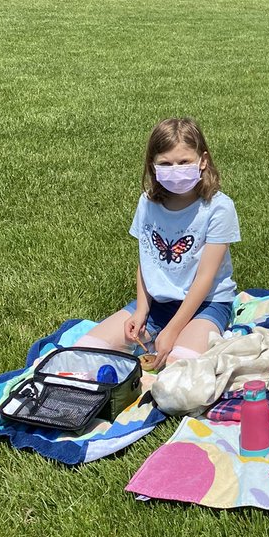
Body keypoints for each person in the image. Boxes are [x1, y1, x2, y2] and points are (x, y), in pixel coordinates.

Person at [76, 117, 240, 370]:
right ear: (153, 167)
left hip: (206, 303)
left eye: (184, 162)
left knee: (181, 369)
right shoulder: (147, 203)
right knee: (84, 353)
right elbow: (146, 260)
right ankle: (154, 336)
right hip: (157, 305)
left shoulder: (219, 208)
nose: (175, 169)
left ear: (203, 161)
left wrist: (173, 330)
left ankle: (174, 338)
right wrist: (141, 311)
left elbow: (205, 278)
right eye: (165, 164)